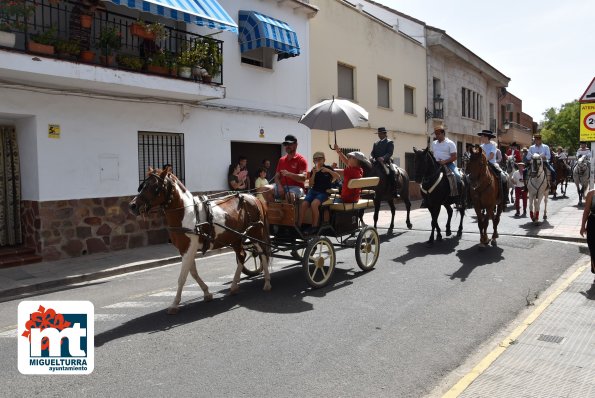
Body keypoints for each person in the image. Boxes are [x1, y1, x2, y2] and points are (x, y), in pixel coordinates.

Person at [298, 151, 339, 234]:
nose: (317, 161)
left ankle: (314, 226)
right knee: (304, 204)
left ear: (324, 160)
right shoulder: (313, 170)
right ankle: (298, 226)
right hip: (314, 191)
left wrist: (328, 170)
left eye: (319, 159)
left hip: (324, 192)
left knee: (314, 204)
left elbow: (337, 177)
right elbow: (310, 184)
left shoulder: (327, 168)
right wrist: (313, 174)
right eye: (315, 159)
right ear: (313, 161)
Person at [263, 134, 308, 203]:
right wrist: (280, 186)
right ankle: (275, 210)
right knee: (265, 189)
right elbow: (276, 177)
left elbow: (303, 178)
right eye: (286, 144)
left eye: (289, 144)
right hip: (282, 186)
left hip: (296, 188)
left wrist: (289, 174)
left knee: (289, 196)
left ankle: (286, 213)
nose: (287, 146)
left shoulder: (301, 160)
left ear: (296, 145)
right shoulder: (281, 160)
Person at [371, 127, 398, 194]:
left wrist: (383, 158)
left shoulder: (389, 142)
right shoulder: (376, 143)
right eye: (378, 134)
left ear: (384, 134)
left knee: (392, 172)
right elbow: (372, 153)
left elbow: (390, 153)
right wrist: (371, 157)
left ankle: (394, 190)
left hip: (386, 162)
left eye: (380, 134)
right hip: (376, 162)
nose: (379, 135)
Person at [579, 189, 595, 282]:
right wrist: (582, 226)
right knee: (593, 249)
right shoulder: (591, 194)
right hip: (593, 223)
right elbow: (586, 211)